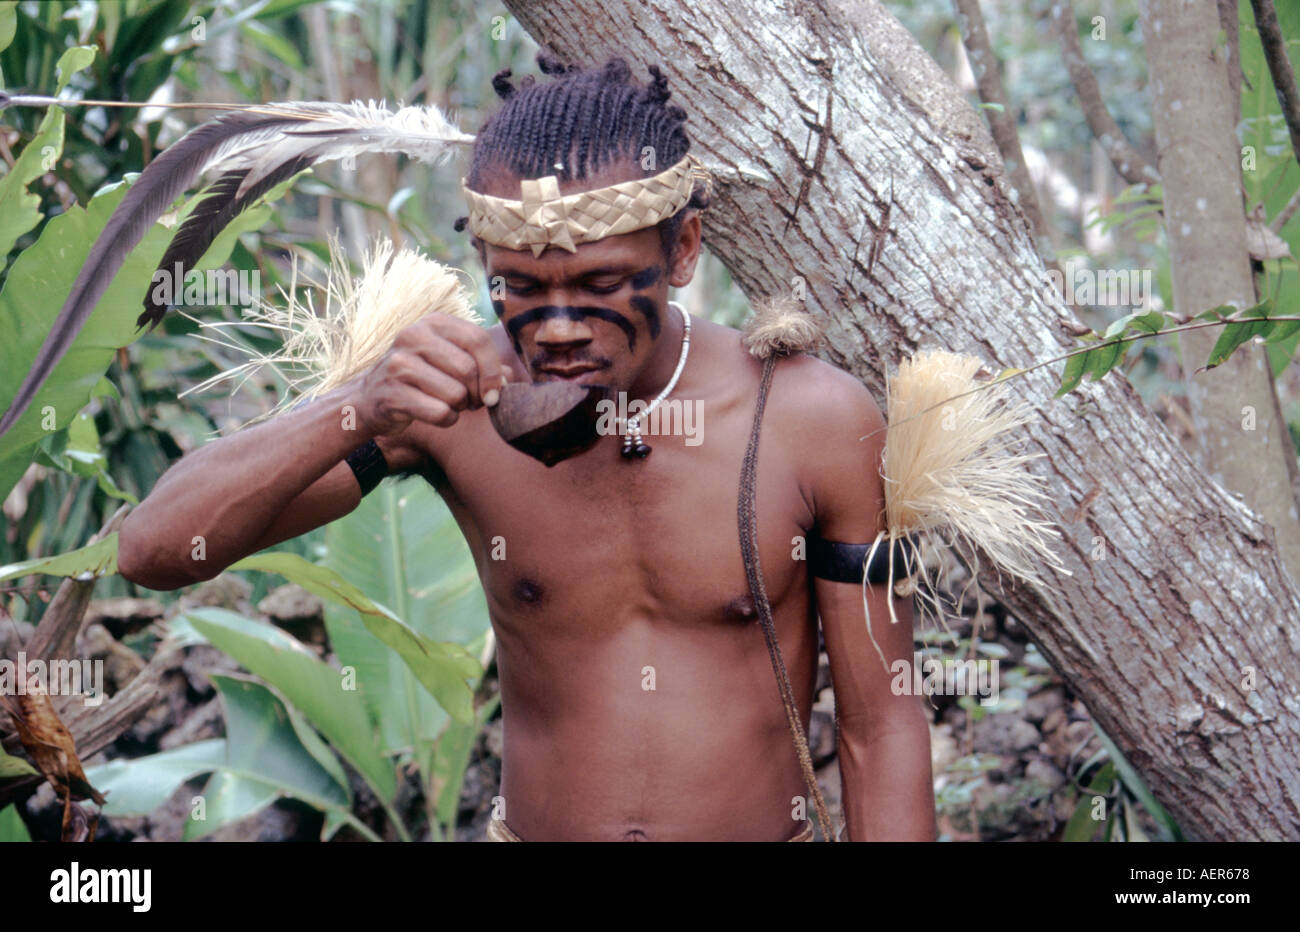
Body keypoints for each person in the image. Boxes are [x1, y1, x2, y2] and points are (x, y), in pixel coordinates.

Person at [117, 54, 937, 842]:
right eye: (524, 287)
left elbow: (882, 724)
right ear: (484, 262)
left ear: (683, 250)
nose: (560, 327)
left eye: (602, 284)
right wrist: (357, 405)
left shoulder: (813, 419)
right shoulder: (448, 407)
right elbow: (154, 551)